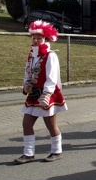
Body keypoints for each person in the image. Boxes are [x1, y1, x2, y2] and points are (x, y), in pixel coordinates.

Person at [15, 20, 67, 164]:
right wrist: (26, 85)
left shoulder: (50, 55)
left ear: (45, 38)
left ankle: (56, 151)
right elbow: (28, 72)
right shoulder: (31, 55)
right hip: (33, 94)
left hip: (46, 95)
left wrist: (47, 94)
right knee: (26, 124)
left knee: (50, 125)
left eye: (40, 38)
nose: (36, 40)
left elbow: (52, 77)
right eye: (34, 38)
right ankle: (28, 153)